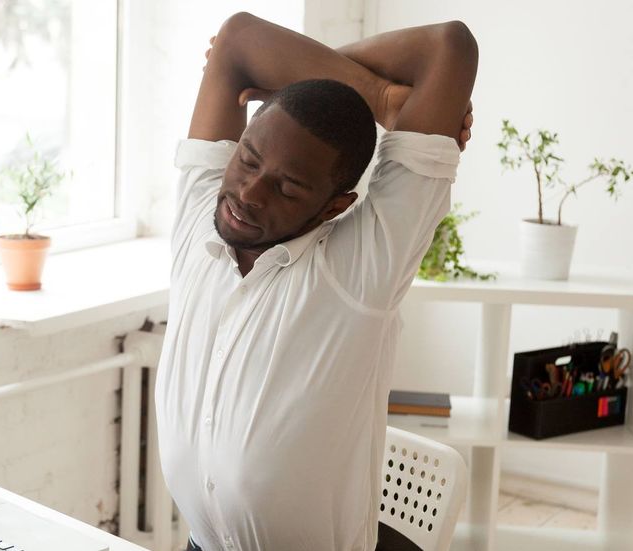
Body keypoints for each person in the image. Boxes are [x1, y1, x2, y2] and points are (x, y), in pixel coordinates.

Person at [154, 12, 477, 551]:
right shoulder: (199, 214)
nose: (249, 194)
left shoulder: (362, 264)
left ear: (335, 206)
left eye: (287, 188)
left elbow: (451, 47)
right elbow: (236, 40)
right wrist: (374, 98)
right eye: (248, 159)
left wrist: (357, 92)